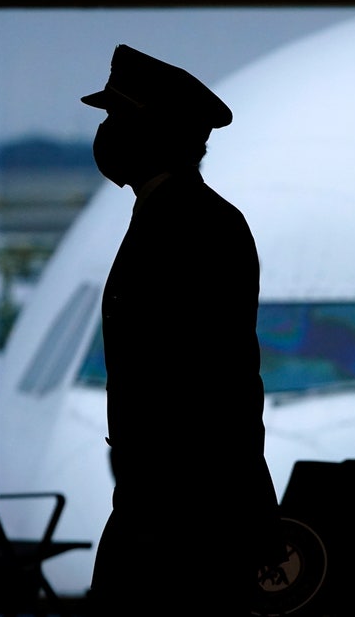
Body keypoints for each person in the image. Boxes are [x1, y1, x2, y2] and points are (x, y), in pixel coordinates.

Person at [82, 44, 282, 616]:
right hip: (171, 500)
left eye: (116, 118)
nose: (106, 133)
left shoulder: (190, 225)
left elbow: (217, 380)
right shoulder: (185, 216)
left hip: (183, 509)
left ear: (151, 132)